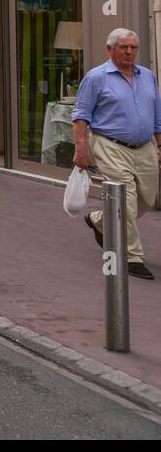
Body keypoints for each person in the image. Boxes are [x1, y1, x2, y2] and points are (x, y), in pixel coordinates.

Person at [73, 28, 158, 280]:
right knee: (126, 200)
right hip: (109, 144)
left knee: (148, 198)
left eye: (133, 47)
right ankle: (131, 256)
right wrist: (80, 151)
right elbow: (80, 116)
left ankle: (100, 219)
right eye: (123, 47)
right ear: (110, 49)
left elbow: (158, 114)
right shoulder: (96, 77)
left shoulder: (148, 76)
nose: (129, 52)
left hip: (144, 147)